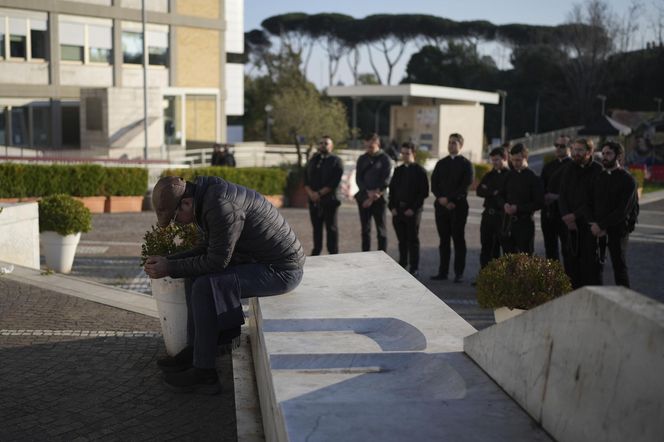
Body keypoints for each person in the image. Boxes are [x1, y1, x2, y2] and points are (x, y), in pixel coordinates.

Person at [144, 176, 305, 394]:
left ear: (186, 203)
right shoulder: (206, 197)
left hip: (281, 271)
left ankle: (205, 374)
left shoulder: (220, 205)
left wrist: (169, 268)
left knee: (204, 287)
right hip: (261, 262)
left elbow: (216, 262)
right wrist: (170, 261)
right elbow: (207, 249)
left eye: (175, 218)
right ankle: (195, 352)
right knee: (193, 277)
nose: (179, 223)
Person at [591, 141, 638, 287]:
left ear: (618, 156)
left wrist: (602, 225)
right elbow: (593, 203)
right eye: (603, 154)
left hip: (618, 231)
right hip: (599, 231)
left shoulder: (628, 180)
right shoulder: (599, 177)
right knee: (595, 268)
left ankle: (624, 303)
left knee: (619, 268)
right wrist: (596, 225)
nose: (604, 157)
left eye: (609, 153)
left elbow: (622, 210)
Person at [559, 138, 603, 289]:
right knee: (570, 262)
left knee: (589, 264)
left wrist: (575, 216)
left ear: (589, 152)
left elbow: (593, 200)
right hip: (569, 224)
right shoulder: (569, 168)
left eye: (579, 150)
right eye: (574, 149)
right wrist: (566, 215)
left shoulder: (598, 170)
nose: (575, 153)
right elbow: (562, 194)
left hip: (588, 224)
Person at [430, 133, 474, 283]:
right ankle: (443, 272)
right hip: (441, 207)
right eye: (449, 143)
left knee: (458, 240)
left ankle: (459, 273)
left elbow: (465, 185)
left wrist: (451, 199)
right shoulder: (441, 163)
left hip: (458, 207)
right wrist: (441, 198)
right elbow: (434, 183)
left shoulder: (466, 164)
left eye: (454, 143)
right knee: (444, 240)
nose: (451, 145)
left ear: (460, 145)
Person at [388, 142, 429, 276]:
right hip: (398, 211)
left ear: (413, 154)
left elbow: (423, 193)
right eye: (403, 153)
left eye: (407, 153)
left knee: (413, 239)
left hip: (413, 212)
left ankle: (414, 266)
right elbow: (392, 190)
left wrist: (413, 208)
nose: (405, 156)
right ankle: (403, 263)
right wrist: (392, 207)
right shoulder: (398, 170)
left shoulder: (420, 171)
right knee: (401, 240)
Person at [500, 143, 544, 255]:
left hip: (525, 224)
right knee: (508, 258)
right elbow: (500, 195)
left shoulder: (533, 178)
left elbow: (539, 203)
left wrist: (518, 208)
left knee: (526, 258)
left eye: (518, 160)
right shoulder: (508, 175)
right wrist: (504, 205)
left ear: (525, 158)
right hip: (508, 222)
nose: (515, 163)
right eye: (513, 160)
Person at [304, 135, 344, 256]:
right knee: (316, 228)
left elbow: (334, 182)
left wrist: (319, 193)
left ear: (331, 146)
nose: (322, 145)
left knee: (331, 228)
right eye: (321, 143)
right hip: (314, 201)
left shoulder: (336, 161)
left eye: (326, 143)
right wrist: (311, 194)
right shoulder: (313, 159)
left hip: (330, 201)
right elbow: (305, 177)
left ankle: (333, 253)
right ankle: (316, 251)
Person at [355, 133, 392, 252]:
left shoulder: (385, 159)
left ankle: (383, 256)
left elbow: (386, 180)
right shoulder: (362, 158)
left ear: (378, 144)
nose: (369, 148)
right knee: (365, 230)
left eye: (372, 145)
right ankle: (365, 255)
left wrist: (374, 195)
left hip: (379, 198)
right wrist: (367, 193)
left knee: (381, 230)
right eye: (368, 145)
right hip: (364, 197)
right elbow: (358, 178)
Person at [476, 147, 510, 268]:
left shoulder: (509, 175)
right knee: (486, 247)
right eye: (493, 160)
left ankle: (504, 278)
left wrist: (490, 190)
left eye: (497, 160)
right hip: (487, 216)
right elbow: (479, 190)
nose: (494, 163)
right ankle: (485, 277)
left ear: (505, 158)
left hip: (502, 216)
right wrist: (493, 192)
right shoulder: (490, 175)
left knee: (505, 248)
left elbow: (505, 194)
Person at [540, 136, 572, 261]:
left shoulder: (573, 166)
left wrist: (557, 197)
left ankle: (570, 279)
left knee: (568, 249)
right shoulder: (548, 166)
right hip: (548, 213)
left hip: (565, 214)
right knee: (550, 248)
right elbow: (541, 185)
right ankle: (553, 279)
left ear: (570, 148)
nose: (558, 148)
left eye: (562, 146)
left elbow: (575, 191)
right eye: (556, 145)